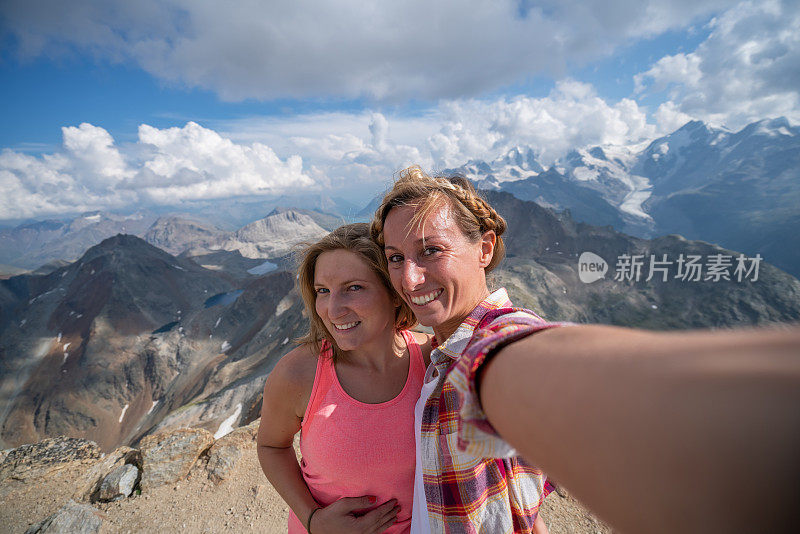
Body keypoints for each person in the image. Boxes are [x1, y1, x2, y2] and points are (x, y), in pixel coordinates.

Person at [370, 166, 800, 534]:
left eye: (431, 251)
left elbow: (520, 358)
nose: (408, 280)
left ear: (484, 248)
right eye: (394, 257)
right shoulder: (437, 353)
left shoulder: (494, 343)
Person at [257, 223, 432, 534]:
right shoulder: (298, 374)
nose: (333, 310)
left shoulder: (433, 360)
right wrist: (312, 520)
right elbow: (271, 446)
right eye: (323, 291)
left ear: (394, 293)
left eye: (354, 287)